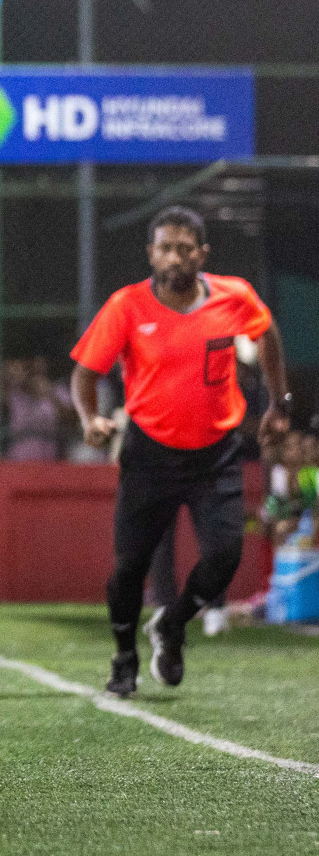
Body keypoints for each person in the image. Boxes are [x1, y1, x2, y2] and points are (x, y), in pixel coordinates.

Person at [71, 206, 288, 699]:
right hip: (148, 455)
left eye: (185, 248)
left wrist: (279, 403)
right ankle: (124, 657)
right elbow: (85, 373)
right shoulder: (127, 306)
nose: (175, 257)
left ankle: (173, 624)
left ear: (202, 255)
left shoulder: (234, 295)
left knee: (225, 557)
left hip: (217, 455)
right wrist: (91, 421)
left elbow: (267, 335)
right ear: (151, 253)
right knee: (130, 565)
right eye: (165, 247)